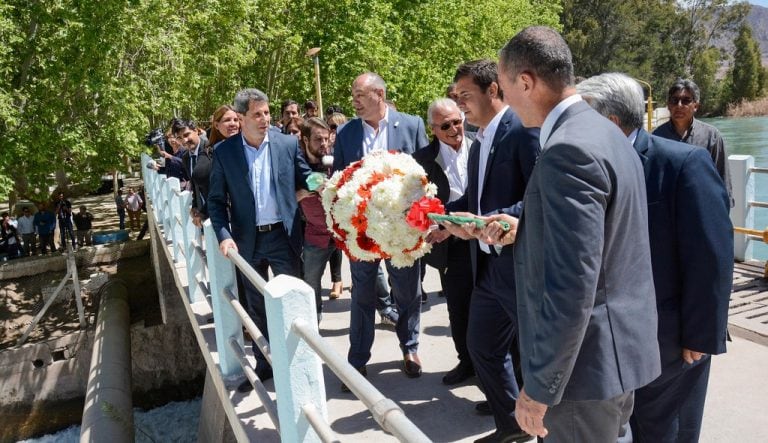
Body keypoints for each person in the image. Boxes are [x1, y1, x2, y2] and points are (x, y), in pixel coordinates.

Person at [489, 26, 660, 442]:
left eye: (504, 86)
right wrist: (527, 228)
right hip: (611, 361)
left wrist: (540, 388)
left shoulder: (569, 149)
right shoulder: (605, 131)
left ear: (526, 82)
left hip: (581, 377)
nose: (505, 100)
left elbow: (572, 283)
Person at [576, 72, 734, 442]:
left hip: (673, 339)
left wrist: (700, 335)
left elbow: (711, 254)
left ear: (610, 122)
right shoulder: (594, 163)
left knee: (670, 429)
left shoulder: (683, 163)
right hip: (620, 334)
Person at [437, 59, 539, 438]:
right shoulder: (480, 141)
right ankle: (512, 424)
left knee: (535, 360)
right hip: (488, 268)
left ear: (493, 90)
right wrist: (442, 219)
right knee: (481, 347)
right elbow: (475, 199)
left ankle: (546, 428)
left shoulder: (524, 131)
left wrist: (493, 220)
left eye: (465, 95)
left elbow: (541, 197)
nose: (459, 104)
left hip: (520, 266)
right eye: (455, 96)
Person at [207, 87, 312, 392]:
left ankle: (296, 365)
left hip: (283, 236)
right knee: (256, 307)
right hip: (246, 242)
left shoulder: (287, 143)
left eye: (266, 112)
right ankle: (266, 365)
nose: (265, 119)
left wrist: (321, 185)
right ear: (240, 118)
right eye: (257, 114)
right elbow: (215, 201)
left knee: (291, 303)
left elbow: (306, 177)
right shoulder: (225, 153)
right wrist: (224, 236)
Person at [333, 72, 429, 385]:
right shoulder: (346, 134)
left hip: (401, 230)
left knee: (406, 291)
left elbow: (427, 175)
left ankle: (410, 347)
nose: (354, 101)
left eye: (360, 94)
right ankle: (357, 359)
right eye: (353, 95)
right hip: (362, 230)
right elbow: (340, 180)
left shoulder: (411, 125)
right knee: (362, 293)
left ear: (379, 94)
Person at [414, 97, 477, 385]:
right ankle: (466, 362)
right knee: (458, 305)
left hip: (486, 234)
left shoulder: (481, 144)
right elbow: (420, 205)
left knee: (493, 305)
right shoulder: (422, 160)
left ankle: (495, 368)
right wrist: (440, 224)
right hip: (450, 242)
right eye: (446, 125)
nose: (454, 129)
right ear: (434, 129)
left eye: (458, 121)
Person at [653, 78, 733, 204]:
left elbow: (722, 178)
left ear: (695, 106)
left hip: (702, 208)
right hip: (668, 212)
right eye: (674, 100)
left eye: (686, 101)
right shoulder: (656, 137)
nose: (679, 105)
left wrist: (722, 210)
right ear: (668, 105)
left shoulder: (711, 136)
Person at [296, 117, 336, 320]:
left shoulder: (334, 159)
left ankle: (385, 308)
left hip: (343, 229)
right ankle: (314, 320)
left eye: (327, 139)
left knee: (374, 274)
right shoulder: (297, 163)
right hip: (315, 233)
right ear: (305, 139)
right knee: (311, 281)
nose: (324, 145)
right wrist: (304, 191)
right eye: (318, 140)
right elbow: (288, 196)